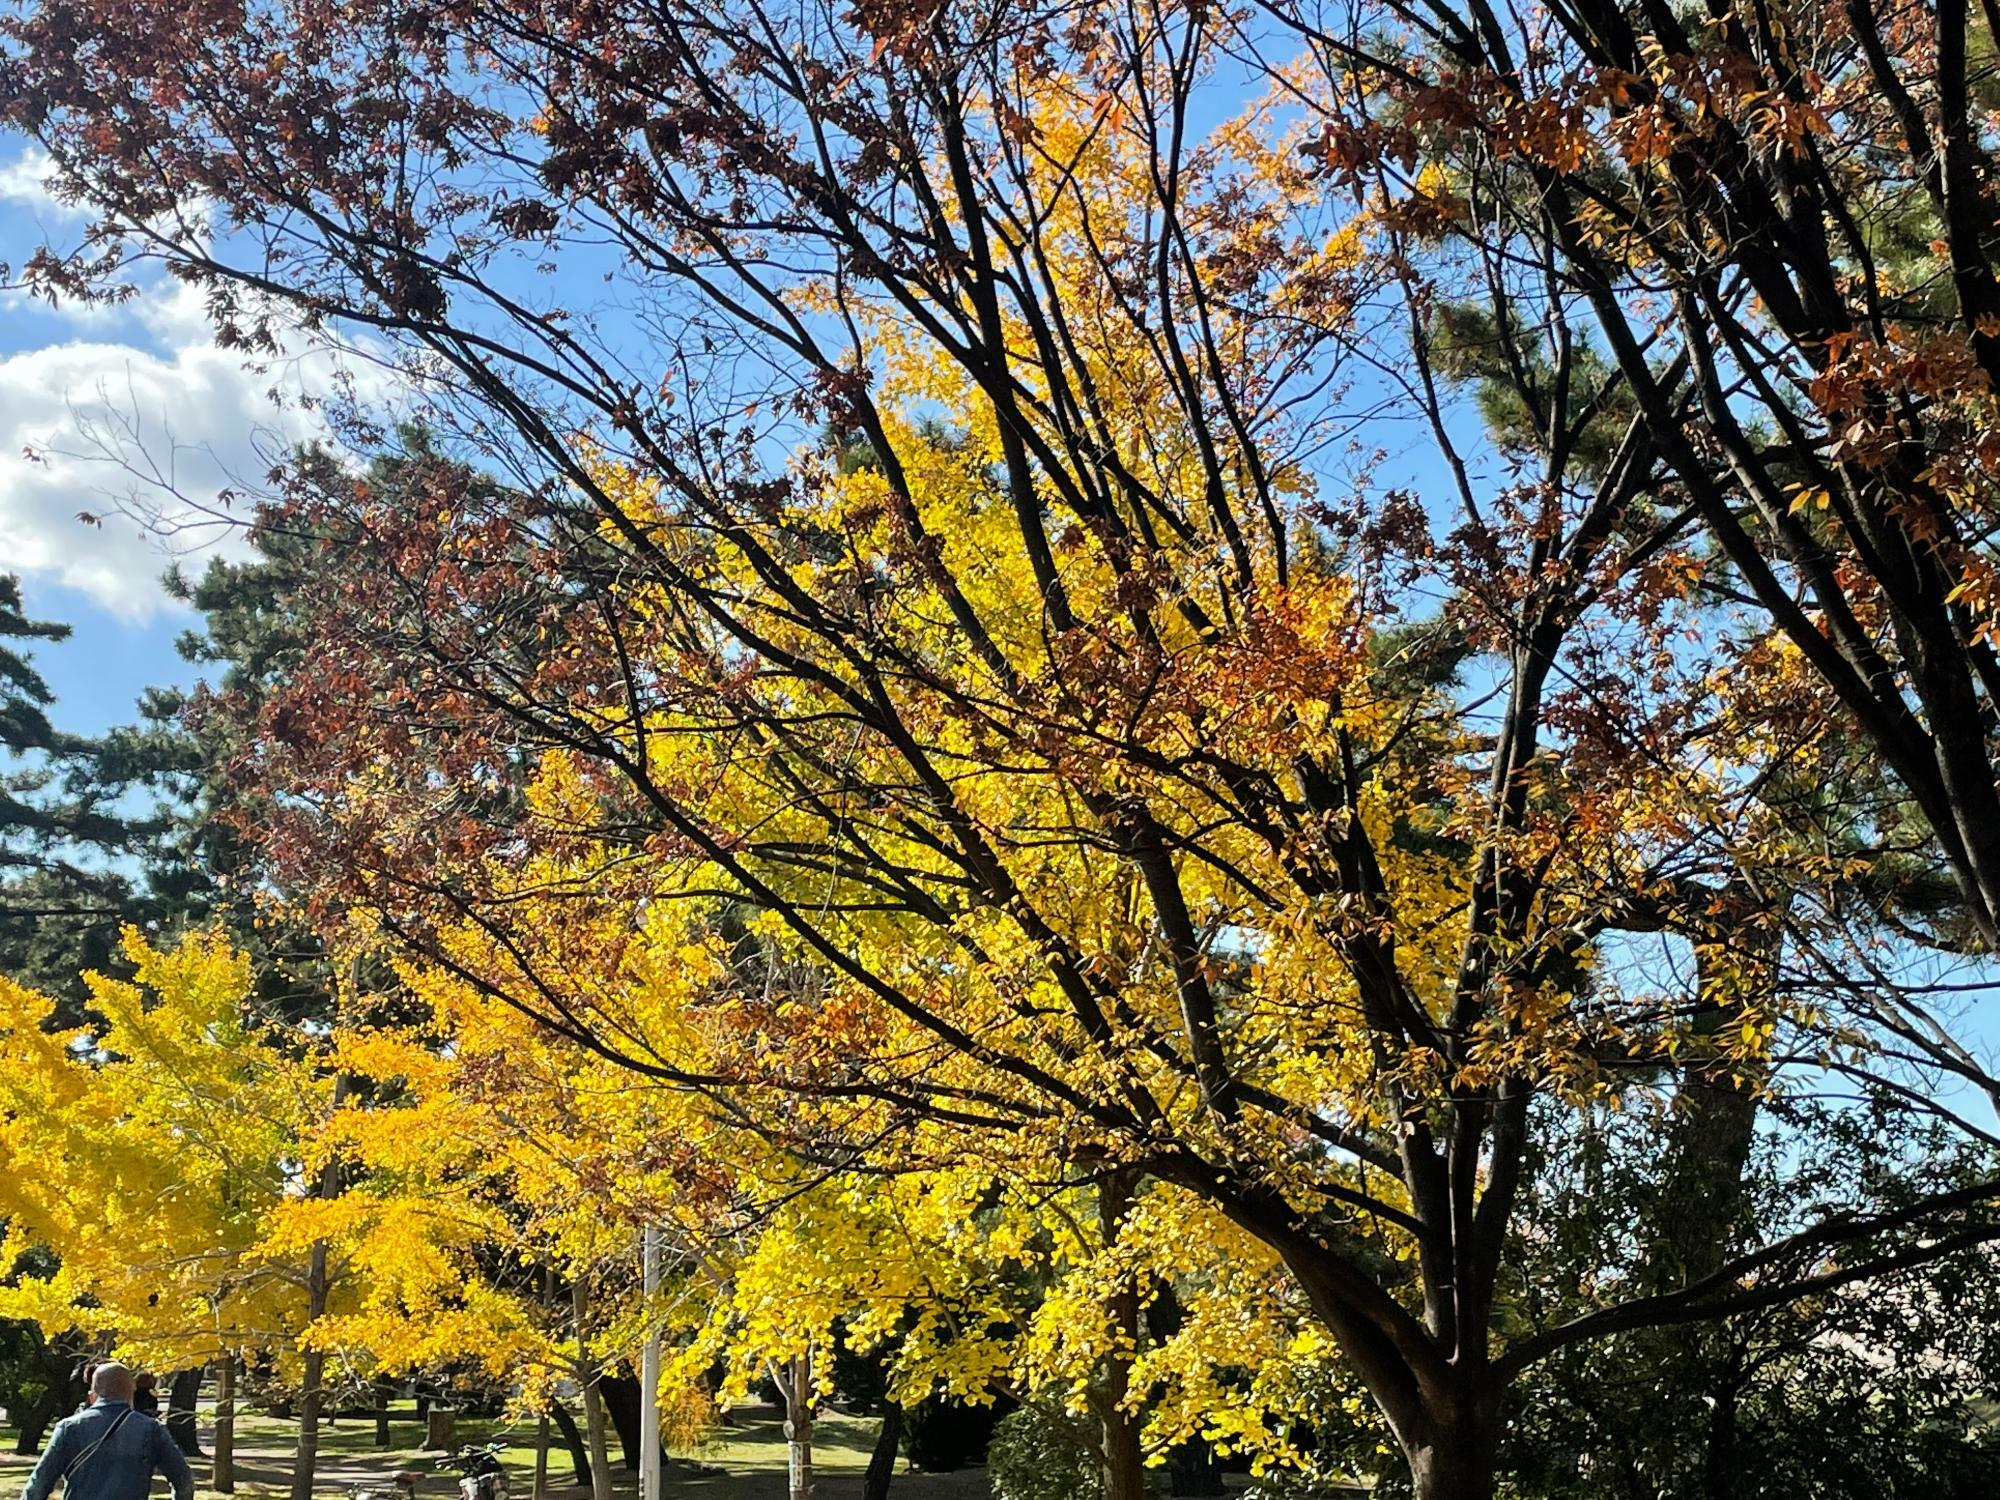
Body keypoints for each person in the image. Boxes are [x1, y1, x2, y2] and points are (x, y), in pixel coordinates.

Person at [19, 1363, 194, 1500]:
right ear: (131, 1392)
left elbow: (38, 1485)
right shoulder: (151, 1429)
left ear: (92, 1395)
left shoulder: (69, 1428)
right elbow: (184, 1481)